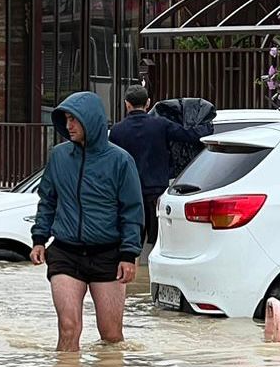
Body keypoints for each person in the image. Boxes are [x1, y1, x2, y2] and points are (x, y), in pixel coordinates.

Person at [30, 91, 145, 352]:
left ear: (91, 121)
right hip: (65, 252)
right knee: (69, 328)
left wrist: (129, 254)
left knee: (111, 335)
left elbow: (132, 211)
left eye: (75, 120)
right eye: (67, 120)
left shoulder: (120, 161)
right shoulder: (59, 156)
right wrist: (39, 238)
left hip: (108, 254)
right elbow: (48, 199)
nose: (69, 126)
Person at [108, 85, 216, 246]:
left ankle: (132, 267)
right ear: (148, 103)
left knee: (131, 242)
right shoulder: (160, 125)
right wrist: (207, 126)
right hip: (156, 193)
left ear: (127, 104)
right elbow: (190, 136)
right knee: (159, 241)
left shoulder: (116, 131)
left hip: (128, 195)